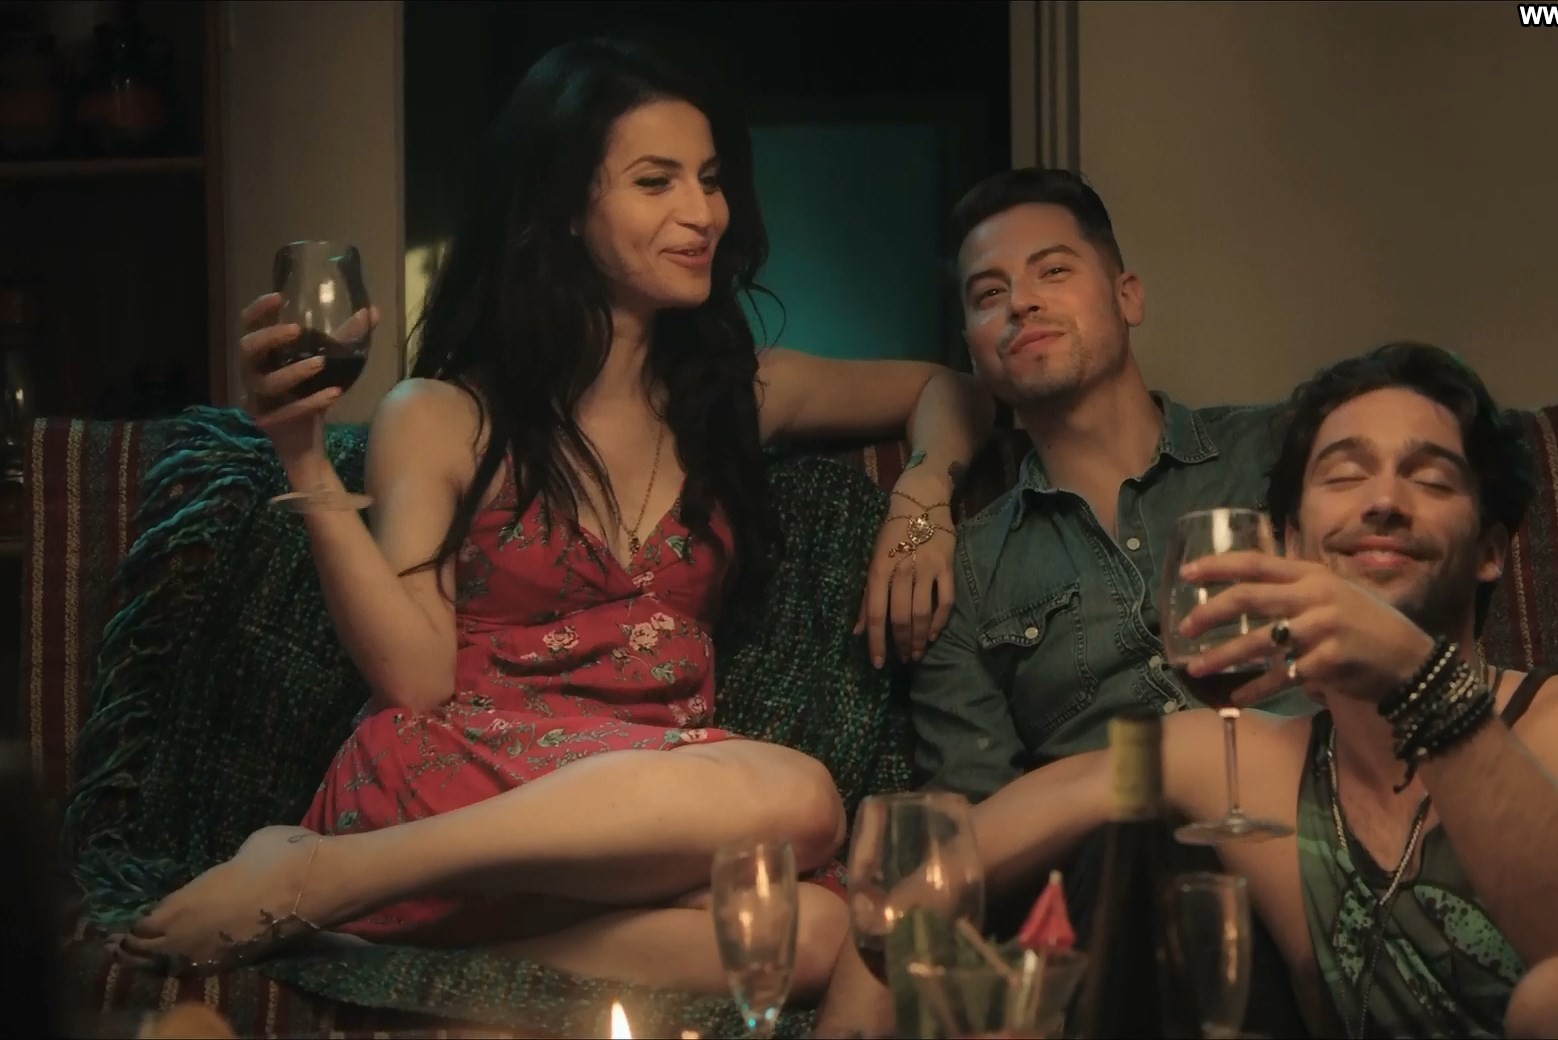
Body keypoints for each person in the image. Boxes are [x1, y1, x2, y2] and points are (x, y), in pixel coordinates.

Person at [110, 37, 995, 1001]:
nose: (703, 211)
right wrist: (304, 458)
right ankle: (339, 874)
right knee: (803, 798)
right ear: (567, 206)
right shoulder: (444, 415)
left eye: (709, 179)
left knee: (812, 933)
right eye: (656, 182)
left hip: (657, 815)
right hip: (454, 784)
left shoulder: (737, 396)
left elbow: (949, 390)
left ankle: (349, 926)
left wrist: (924, 499)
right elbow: (416, 677)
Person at [824, 343, 1558, 1038]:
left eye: (1430, 479)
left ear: (1489, 551)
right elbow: (937, 868)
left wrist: (1413, 676)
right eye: (1344, 474)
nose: (1383, 501)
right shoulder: (1232, 763)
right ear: (1289, 540)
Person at [906, 167, 1290, 806]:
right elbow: (971, 823)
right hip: (1113, 846)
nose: (1021, 302)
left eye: (1053, 271)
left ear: (1128, 298)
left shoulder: (1277, 451)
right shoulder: (965, 574)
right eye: (989, 293)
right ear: (973, 351)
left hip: (1320, 813)